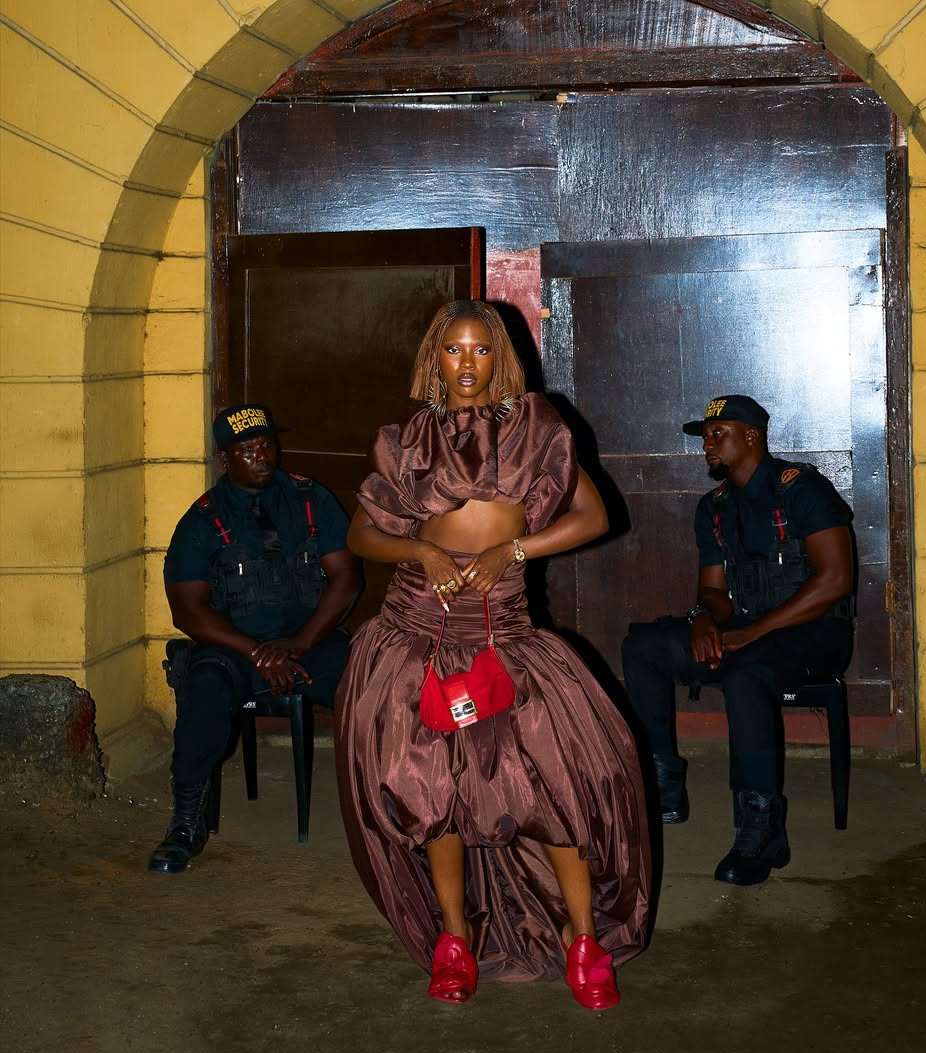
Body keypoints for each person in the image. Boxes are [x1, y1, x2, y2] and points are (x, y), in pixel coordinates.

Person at [336, 301, 650, 1008]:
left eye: (481, 352)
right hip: (416, 637)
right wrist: (419, 546)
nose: (468, 365)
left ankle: (583, 941)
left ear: (500, 359)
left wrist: (515, 547)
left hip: (506, 635)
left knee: (559, 791)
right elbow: (361, 535)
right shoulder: (407, 439)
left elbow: (595, 516)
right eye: (454, 352)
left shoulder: (540, 429)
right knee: (433, 798)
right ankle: (455, 940)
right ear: (434, 359)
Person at [621, 394, 854, 887]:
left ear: (751, 437)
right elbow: (713, 590)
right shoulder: (715, 507)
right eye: (704, 436)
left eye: (716, 434)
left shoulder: (802, 490)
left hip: (815, 634)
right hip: (747, 629)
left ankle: (762, 830)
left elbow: (835, 581)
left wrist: (750, 633)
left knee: (748, 672)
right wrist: (704, 618)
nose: (706, 445)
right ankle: (663, 787)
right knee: (645, 645)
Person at [149, 403, 362, 874]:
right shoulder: (203, 520)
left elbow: (346, 579)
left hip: (309, 644)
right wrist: (256, 654)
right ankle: (185, 823)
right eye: (247, 450)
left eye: (267, 444)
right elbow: (187, 611)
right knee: (203, 690)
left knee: (374, 679)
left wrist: (301, 643)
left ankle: (390, 813)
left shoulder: (311, 499)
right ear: (225, 457)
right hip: (236, 651)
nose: (262, 456)